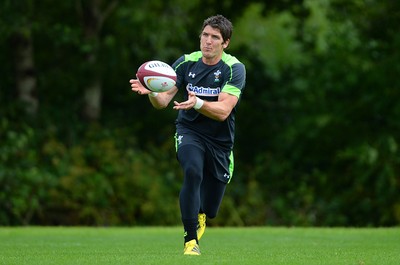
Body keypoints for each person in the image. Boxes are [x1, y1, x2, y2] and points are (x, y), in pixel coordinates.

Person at [130, 14, 246, 255]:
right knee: (192, 171)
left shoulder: (234, 68)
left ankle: (202, 214)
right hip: (189, 131)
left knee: (211, 209)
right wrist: (152, 89)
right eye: (205, 35)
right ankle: (190, 241)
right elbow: (162, 101)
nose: (208, 41)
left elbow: (224, 111)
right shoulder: (185, 63)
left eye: (215, 37)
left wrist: (197, 103)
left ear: (225, 43)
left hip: (220, 142)